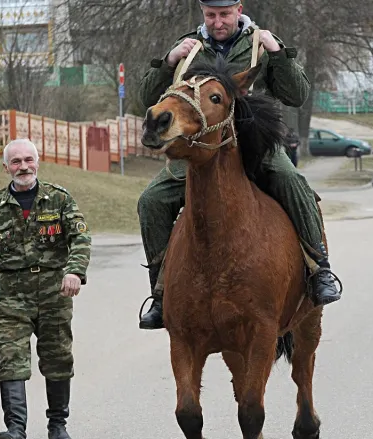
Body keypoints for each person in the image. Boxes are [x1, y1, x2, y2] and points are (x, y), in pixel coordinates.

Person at [135, 0, 341, 330]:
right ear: (203, 12)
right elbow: (145, 97)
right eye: (211, 15)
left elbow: (297, 94)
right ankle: (161, 294)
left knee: (292, 181)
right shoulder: (189, 48)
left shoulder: (259, 42)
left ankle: (320, 269)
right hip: (200, 148)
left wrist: (278, 53)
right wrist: (169, 60)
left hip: (254, 145)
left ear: (238, 10)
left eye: (224, 15)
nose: (218, 22)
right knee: (151, 201)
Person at [0, 139, 91, 439]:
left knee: (57, 358)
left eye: (28, 160)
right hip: (12, 294)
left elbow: (80, 236)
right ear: (6, 167)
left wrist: (74, 271)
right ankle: (16, 431)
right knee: (12, 361)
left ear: (38, 162)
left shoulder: (59, 198)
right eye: (16, 161)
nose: (23, 167)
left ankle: (57, 424)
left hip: (54, 291)